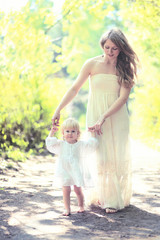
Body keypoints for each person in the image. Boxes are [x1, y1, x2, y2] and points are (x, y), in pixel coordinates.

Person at [51, 28, 139, 213]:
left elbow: (122, 98)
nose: (110, 52)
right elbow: (75, 88)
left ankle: (113, 199)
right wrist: (59, 109)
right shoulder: (91, 64)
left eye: (114, 48)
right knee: (100, 153)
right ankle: (104, 195)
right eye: (107, 47)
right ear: (102, 46)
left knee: (115, 154)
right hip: (95, 114)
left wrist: (103, 118)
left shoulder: (125, 68)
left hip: (115, 116)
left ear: (121, 48)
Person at [46, 118, 98, 216]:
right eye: (67, 131)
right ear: (63, 133)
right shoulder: (61, 144)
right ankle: (67, 209)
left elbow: (92, 146)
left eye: (73, 131)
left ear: (77, 134)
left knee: (77, 189)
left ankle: (81, 205)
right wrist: (52, 132)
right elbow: (49, 144)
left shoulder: (80, 145)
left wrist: (93, 134)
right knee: (66, 190)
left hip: (76, 171)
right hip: (64, 171)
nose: (70, 133)